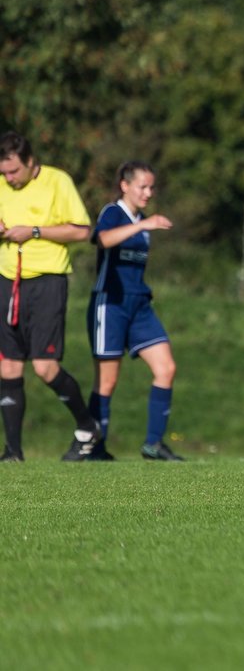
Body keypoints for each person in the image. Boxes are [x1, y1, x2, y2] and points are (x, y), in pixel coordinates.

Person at [0, 132, 101, 461]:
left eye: (14, 171)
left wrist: (33, 231)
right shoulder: (1, 185)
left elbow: (82, 231)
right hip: (6, 279)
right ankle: (13, 452)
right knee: (9, 366)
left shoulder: (57, 181)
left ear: (30, 162)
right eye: (4, 173)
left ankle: (88, 427)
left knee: (44, 367)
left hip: (46, 282)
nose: (9, 178)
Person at [85, 161, 181, 461]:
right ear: (125, 185)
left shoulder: (142, 221)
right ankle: (93, 446)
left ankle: (154, 444)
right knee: (107, 381)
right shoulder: (114, 213)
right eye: (143, 186)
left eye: (151, 187)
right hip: (110, 304)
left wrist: (144, 224)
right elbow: (101, 239)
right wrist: (142, 224)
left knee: (166, 369)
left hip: (139, 305)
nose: (148, 192)